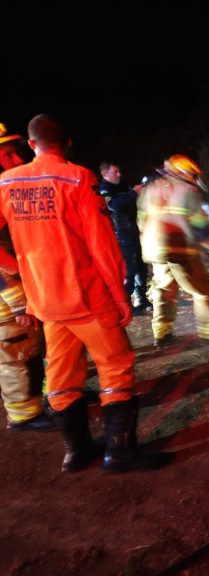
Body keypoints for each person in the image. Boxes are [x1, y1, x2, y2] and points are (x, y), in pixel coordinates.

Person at [0, 114, 168, 473]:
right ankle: (120, 452)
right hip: (86, 298)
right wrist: (121, 296)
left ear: (31, 145)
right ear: (68, 143)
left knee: (61, 376)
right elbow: (102, 245)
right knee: (116, 366)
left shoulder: (6, 184)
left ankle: (76, 452)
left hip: (46, 302)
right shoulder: (77, 178)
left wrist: (17, 267)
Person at [138, 154, 209, 348]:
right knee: (204, 288)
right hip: (180, 250)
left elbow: (141, 220)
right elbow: (200, 225)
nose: (193, 178)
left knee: (164, 290)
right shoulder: (186, 191)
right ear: (183, 173)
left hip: (155, 251)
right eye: (191, 174)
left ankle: (162, 334)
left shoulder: (150, 190)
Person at [0, 122, 54, 431]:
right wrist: (18, 303)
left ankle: (53, 395)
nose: (16, 161)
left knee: (35, 345)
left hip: (21, 286)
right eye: (6, 156)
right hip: (7, 295)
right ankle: (23, 414)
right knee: (14, 350)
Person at [98, 160, 151, 311]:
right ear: (105, 174)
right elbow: (112, 205)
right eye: (115, 172)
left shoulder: (123, 185)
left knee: (141, 266)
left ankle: (141, 299)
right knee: (129, 269)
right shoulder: (104, 188)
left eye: (119, 171)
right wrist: (133, 193)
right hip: (121, 235)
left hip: (134, 230)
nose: (119, 174)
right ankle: (125, 304)